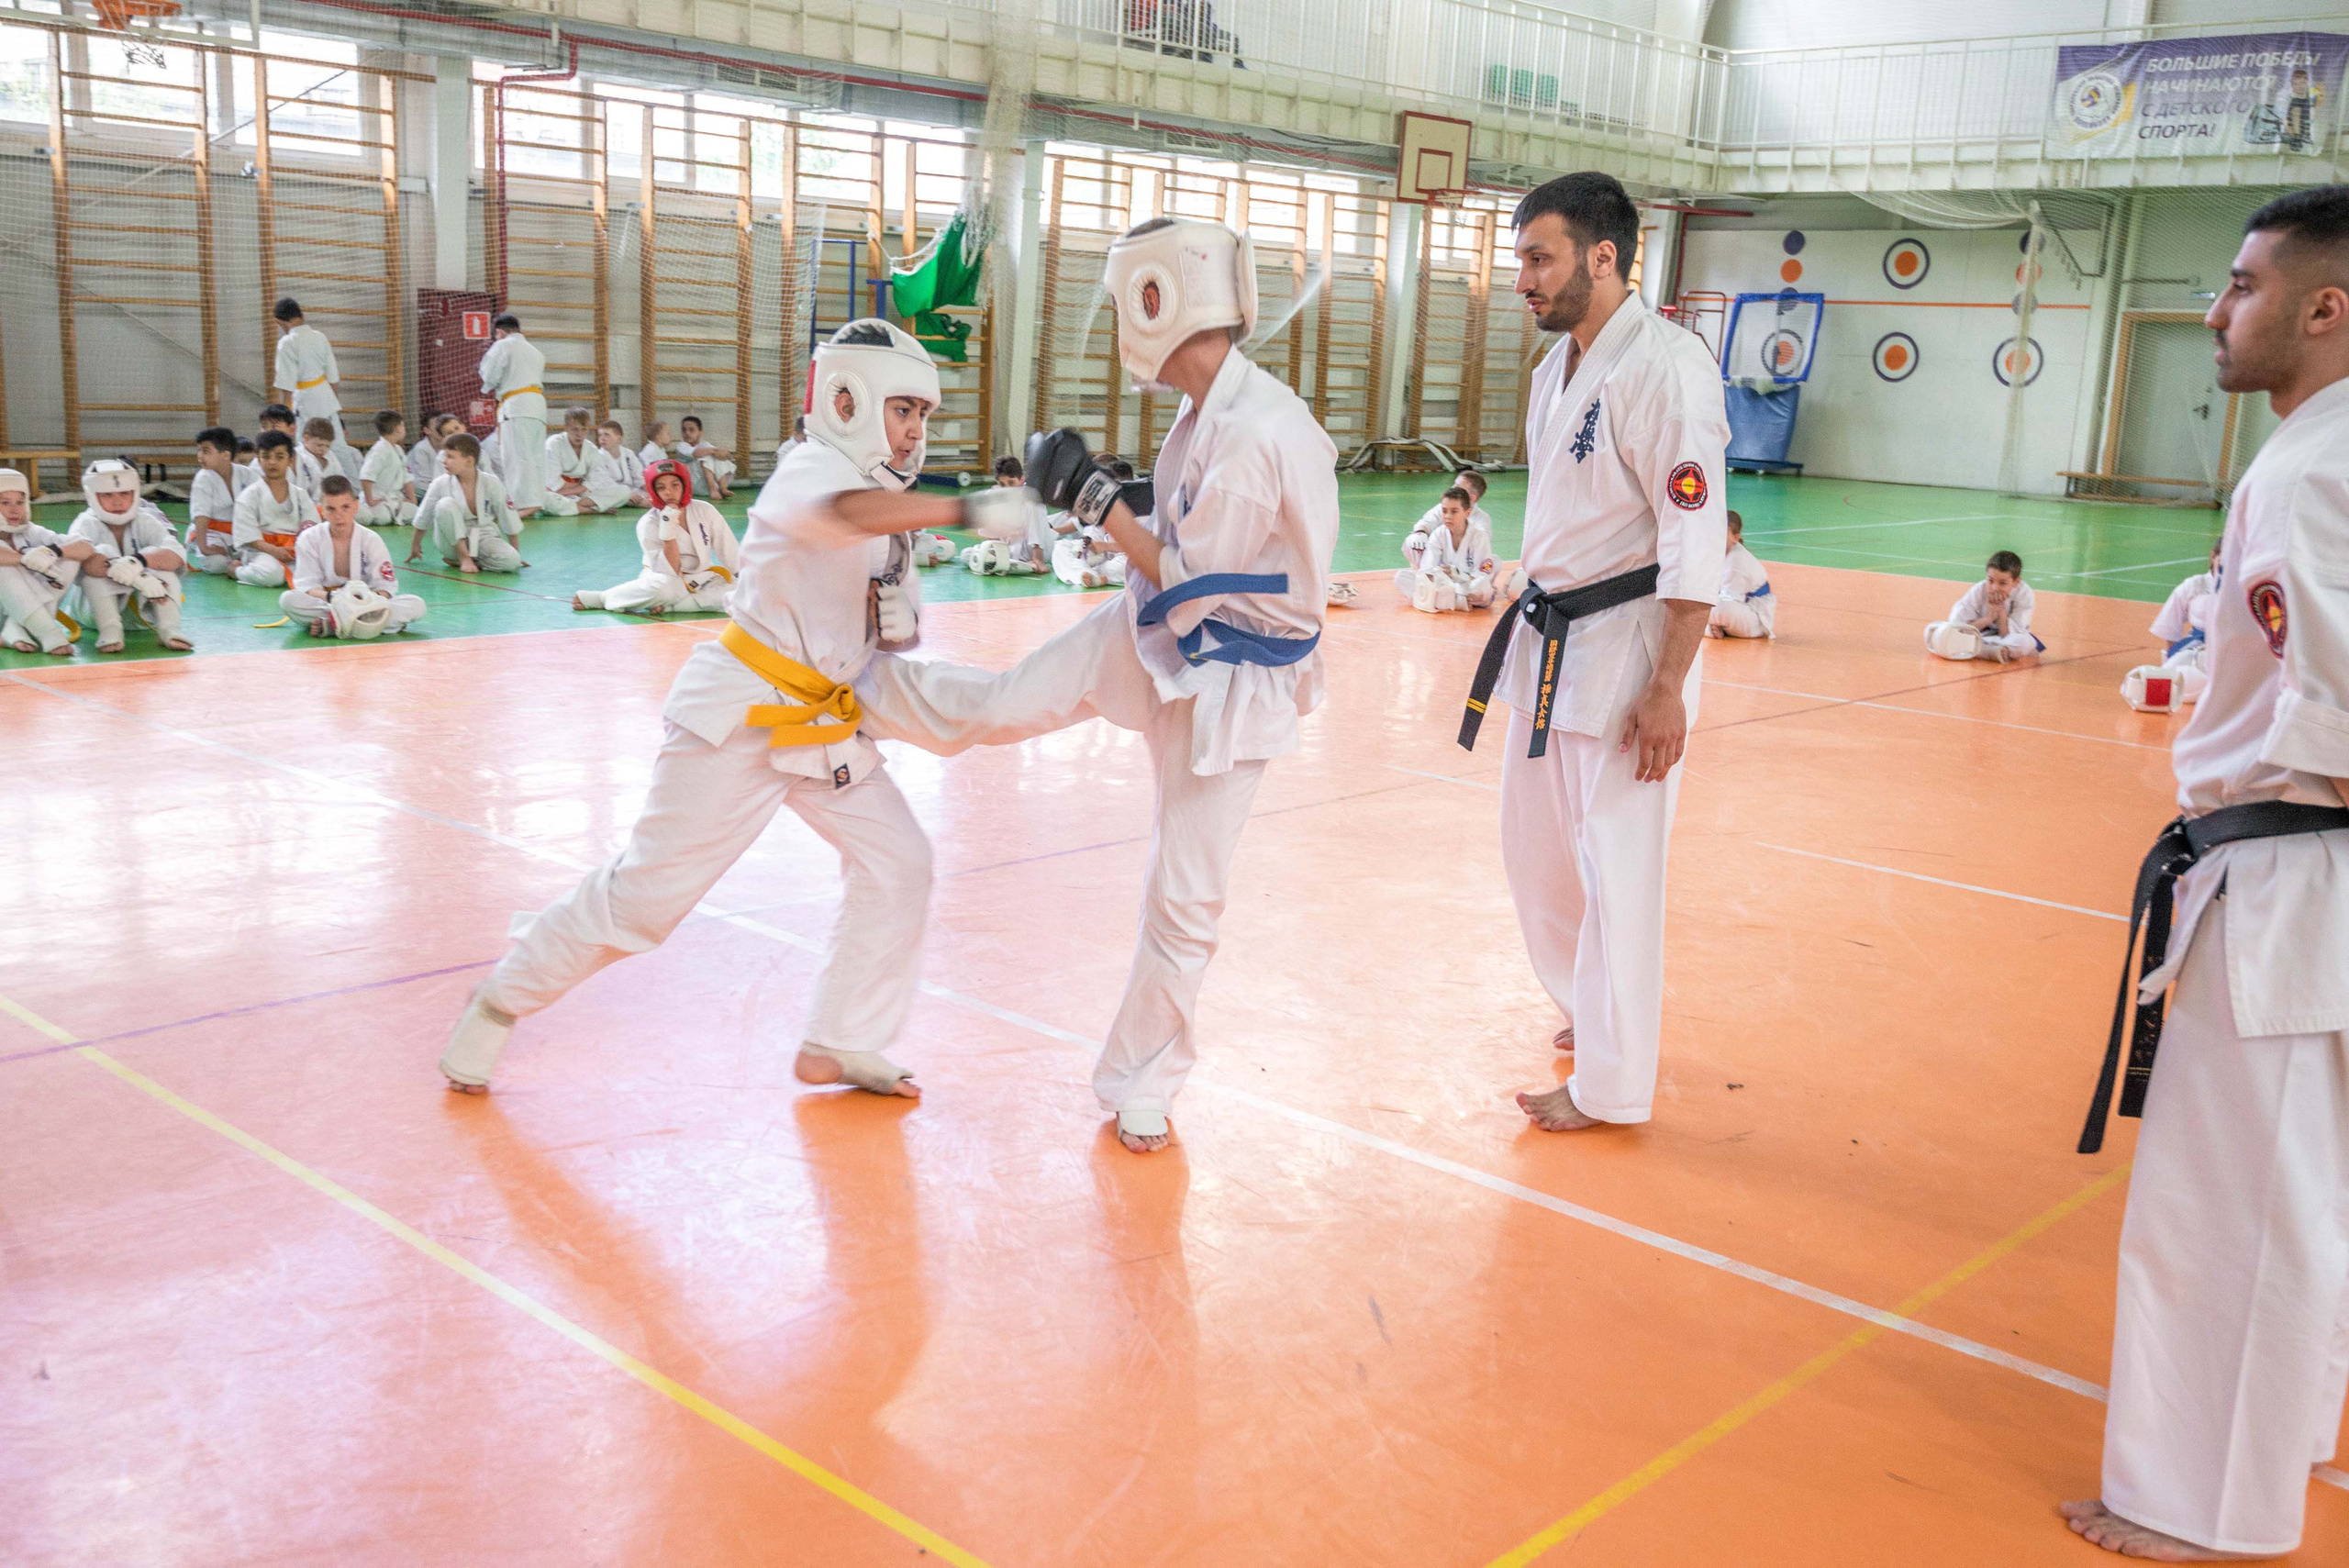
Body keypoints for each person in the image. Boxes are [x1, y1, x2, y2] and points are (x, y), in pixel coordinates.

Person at [437, 319, 1044, 1100]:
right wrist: (965, 511)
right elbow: (845, 514)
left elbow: (881, 601)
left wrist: (901, 623)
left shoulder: (891, 505)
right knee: (646, 901)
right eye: (901, 410)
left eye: (923, 416)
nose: (914, 431)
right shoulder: (811, 467)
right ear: (848, 399)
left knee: (899, 862)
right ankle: (497, 1001)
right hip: (739, 712)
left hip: (822, 726)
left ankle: (841, 1037)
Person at [857, 216, 1341, 1154]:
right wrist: (1115, 501)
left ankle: (1145, 1079)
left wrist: (1095, 501)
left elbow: (1190, 574)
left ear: (1168, 302)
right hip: (1154, 632)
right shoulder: (1210, 411)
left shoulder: (1254, 434)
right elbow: (1175, 557)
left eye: (1132, 300)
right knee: (1005, 701)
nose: (1124, 318)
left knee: (1184, 895)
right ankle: (855, 690)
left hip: (1230, 682)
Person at [2064, 184, 2349, 1566]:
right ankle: (2283, 1436)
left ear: (2322, 306)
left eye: (2240, 285)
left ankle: (2209, 1506)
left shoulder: (2306, 471)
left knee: (2236, 1199)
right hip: (2308, 868)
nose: (2215, 308)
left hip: (2294, 870)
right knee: (2312, 1183)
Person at [1454, 172, 1727, 1134]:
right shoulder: (1556, 368)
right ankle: (1584, 1003)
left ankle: (1613, 1084)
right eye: (1520, 258)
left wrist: (1668, 685)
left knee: (1618, 863)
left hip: (1628, 650)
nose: (1522, 278)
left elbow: (1694, 538)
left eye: (1539, 257)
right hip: (1548, 635)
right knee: (1535, 852)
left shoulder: (1666, 369)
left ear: (1602, 257)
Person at [573, 458, 738, 616]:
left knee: (742, 594)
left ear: (684, 486)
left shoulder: (704, 510)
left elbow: (728, 549)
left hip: (703, 578)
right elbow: (670, 570)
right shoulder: (648, 523)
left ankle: (673, 608)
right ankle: (605, 597)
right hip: (664, 578)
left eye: (675, 485)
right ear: (654, 492)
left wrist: (744, 579)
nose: (669, 492)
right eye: (661, 487)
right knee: (665, 591)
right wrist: (668, 527)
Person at [68, 459, 191, 653]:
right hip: (93, 614)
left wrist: (139, 561)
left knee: (164, 570)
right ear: (92, 496)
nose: (118, 501)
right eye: (107, 495)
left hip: (143, 615)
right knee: (100, 561)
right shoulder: (84, 523)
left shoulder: (146, 520)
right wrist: (139, 578)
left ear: (134, 493)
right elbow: (89, 565)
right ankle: (110, 630)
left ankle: (169, 629)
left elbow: (175, 555)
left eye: (125, 493)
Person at [280, 475, 426, 639]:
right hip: (329, 603)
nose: (339, 515)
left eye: (345, 507)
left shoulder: (371, 539)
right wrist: (335, 598)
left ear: (356, 506)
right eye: (331, 509)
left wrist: (363, 603)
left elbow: (385, 587)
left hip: (368, 605)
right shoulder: (309, 538)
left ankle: (332, 625)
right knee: (288, 600)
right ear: (322, 509)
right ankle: (366, 625)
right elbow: (307, 587)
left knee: (416, 605)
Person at [0, 466, 92, 655]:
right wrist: (25, 558)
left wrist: (53, 552)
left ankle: (15, 628)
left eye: (20, 502)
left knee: (69, 559)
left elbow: (85, 547)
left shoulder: (30, 531)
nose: (14, 509)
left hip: (28, 611)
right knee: (4, 566)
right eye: (5, 502)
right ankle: (48, 633)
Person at [417, 431, 523, 574]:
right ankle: (463, 558)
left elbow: (508, 516)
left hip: (481, 535)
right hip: (449, 541)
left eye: (450, 457)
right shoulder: (440, 484)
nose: (444, 461)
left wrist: (515, 553)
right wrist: (415, 545)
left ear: (469, 461)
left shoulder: (491, 483)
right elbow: (424, 516)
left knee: (511, 562)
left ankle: (473, 561)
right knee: (445, 504)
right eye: (445, 456)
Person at [478, 313, 549, 517]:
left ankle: (523, 505)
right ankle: (535, 500)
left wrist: (489, 384)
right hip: (537, 404)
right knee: (534, 455)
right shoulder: (535, 352)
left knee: (517, 456)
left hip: (516, 405)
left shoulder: (503, 345)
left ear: (499, 332)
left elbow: (489, 374)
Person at [229, 431, 319, 589]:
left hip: (294, 551)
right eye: (266, 457)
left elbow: (311, 527)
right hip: (261, 551)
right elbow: (248, 536)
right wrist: (274, 551)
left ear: (290, 460)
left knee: (319, 573)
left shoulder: (300, 495)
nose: (272, 462)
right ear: (258, 458)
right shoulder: (249, 496)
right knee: (273, 574)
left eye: (279, 457)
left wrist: (297, 549)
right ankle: (237, 571)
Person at [1924, 550, 2043, 662]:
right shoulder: (1979, 590)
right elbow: (1956, 627)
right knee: (1932, 631)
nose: (1995, 587)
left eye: (2003, 583)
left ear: (2016, 582)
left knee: (2027, 642)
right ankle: (1990, 652)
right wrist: (1987, 619)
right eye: (1990, 581)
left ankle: (1977, 650)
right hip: (1978, 635)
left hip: (2004, 640)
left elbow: (2008, 635)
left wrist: (2001, 613)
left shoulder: (2024, 594)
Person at [1394, 485, 1497, 612]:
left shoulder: (1479, 537)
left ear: (1467, 512)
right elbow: (1427, 569)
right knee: (1402, 577)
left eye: (1454, 511)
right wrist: (1439, 574)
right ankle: (1455, 600)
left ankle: (1442, 599)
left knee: (1482, 586)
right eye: (1444, 511)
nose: (1448, 516)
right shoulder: (1438, 534)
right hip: (1443, 584)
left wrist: (1456, 574)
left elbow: (1482, 574)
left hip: (1466, 585)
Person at [272, 297, 344, 443]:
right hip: (327, 398)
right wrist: (332, 400)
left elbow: (287, 388)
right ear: (302, 317)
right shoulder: (320, 337)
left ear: (281, 323)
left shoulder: (287, 343)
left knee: (306, 449)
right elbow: (333, 378)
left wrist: (286, 422)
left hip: (306, 403)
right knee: (337, 445)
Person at [184, 425, 243, 575]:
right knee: (216, 564)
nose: (200, 456)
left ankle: (239, 566)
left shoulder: (247, 475)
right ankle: (237, 568)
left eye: (206, 451)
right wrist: (205, 548)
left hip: (240, 534)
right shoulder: (203, 478)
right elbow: (201, 515)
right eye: (199, 450)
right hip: (211, 532)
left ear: (225, 455)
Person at [1706, 510, 1775, 639]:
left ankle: (1706, 629)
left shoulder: (1737, 560)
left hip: (1755, 620)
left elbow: (1729, 601)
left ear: (1735, 538)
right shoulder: (1715, 555)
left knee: (1715, 607)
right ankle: (1715, 627)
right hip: (1738, 612)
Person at [1404, 469, 1491, 570]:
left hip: (1465, 565)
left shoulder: (1482, 519)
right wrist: (1420, 533)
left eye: (1458, 487)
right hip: (1438, 559)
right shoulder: (1443, 507)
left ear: (1472, 498)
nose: (1453, 488)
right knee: (1413, 540)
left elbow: (1483, 546)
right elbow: (1427, 522)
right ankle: (1422, 575)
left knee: (1493, 563)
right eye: (1454, 484)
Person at [358, 409, 418, 529]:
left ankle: (391, 513)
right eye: (403, 425)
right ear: (398, 428)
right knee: (383, 518)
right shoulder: (379, 451)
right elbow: (366, 477)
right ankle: (360, 510)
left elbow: (407, 476)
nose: (404, 429)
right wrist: (370, 500)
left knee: (416, 512)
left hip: (394, 498)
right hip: (376, 497)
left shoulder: (399, 450)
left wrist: (412, 498)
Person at [538, 406, 597, 517]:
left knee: (622, 491)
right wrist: (581, 486)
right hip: (555, 492)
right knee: (545, 498)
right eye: (575, 429)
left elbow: (593, 481)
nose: (579, 434)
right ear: (566, 428)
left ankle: (578, 505)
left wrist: (580, 488)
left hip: (577, 492)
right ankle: (590, 509)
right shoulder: (553, 444)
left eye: (583, 429)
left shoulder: (591, 448)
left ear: (588, 429)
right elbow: (553, 482)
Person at [589, 418, 650, 511]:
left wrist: (647, 488)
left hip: (631, 490)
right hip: (609, 492)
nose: (602, 438)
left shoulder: (628, 454)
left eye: (607, 435)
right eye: (600, 435)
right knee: (644, 502)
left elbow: (638, 475)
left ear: (619, 438)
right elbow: (604, 483)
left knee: (652, 497)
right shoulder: (597, 456)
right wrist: (628, 494)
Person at [674, 414, 735, 501]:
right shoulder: (681, 446)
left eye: (691, 430)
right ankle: (712, 490)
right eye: (684, 430)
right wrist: (719, 450)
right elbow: (696, 453)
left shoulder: (705, 444)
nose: (687, 433)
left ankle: (723, 488)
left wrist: (724, 452)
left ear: (700, 432)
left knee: (719, 457)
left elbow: (725, 455)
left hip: (705, 484)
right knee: (707, 455)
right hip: (692, 485)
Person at [406, 413, 453, 493]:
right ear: (427, 430)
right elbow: (424, 481)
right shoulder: (421, 449)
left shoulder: (450, 447)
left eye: (442, 424)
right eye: (437, 425)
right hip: (419, 490)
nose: (441, 428)